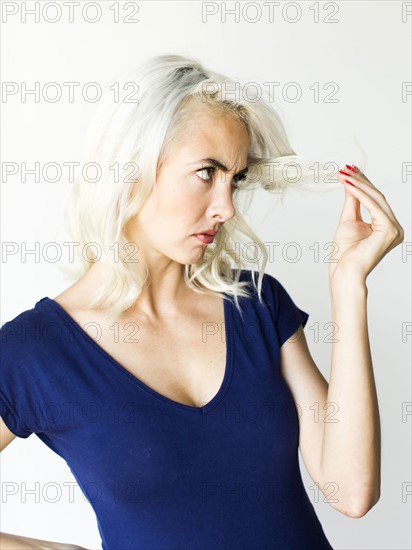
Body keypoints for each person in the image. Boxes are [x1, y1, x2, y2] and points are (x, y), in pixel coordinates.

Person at [0, 54, 404, 550]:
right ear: (133, 166)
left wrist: (349, 287)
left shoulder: (256, 306)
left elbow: (352, 489)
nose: (227, 206)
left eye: (235, 179)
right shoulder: (33, 351)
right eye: (206, 171)